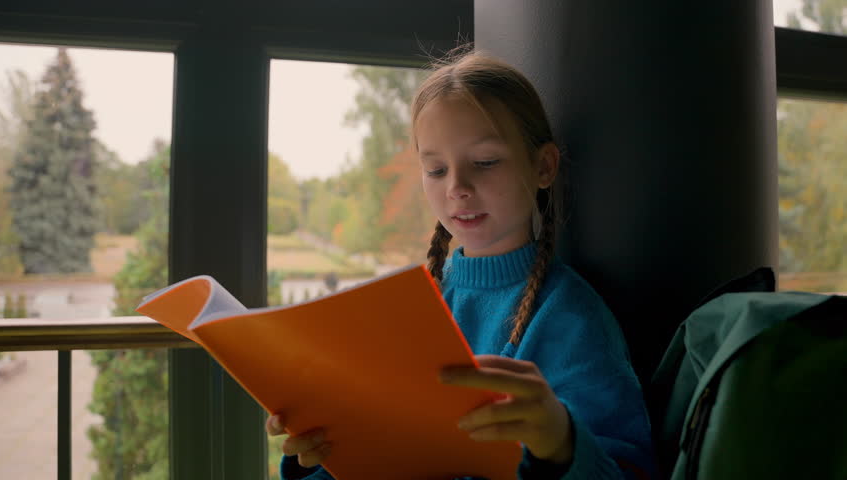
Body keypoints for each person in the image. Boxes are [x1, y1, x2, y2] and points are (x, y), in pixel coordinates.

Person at [266, 48, 655, 480]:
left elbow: (628, 470)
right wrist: (322, 452)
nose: (457, 187)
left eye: (485, 162)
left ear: (543, 165)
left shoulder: (572, 319)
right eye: (435, 170)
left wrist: (561, 443)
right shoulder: (405, 309)